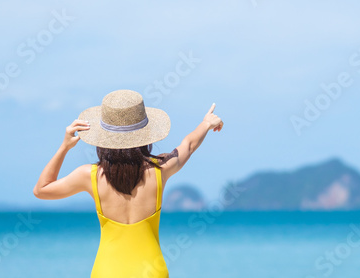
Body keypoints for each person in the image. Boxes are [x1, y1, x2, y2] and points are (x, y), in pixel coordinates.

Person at [33, 89, 223, 278]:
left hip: (106, 271)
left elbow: (41, 190)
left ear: (103, 138)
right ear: (145, 135)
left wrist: (64, 147)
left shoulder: (89, 176)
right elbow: (188, 145)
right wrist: (206, 123)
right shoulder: (160, 169)